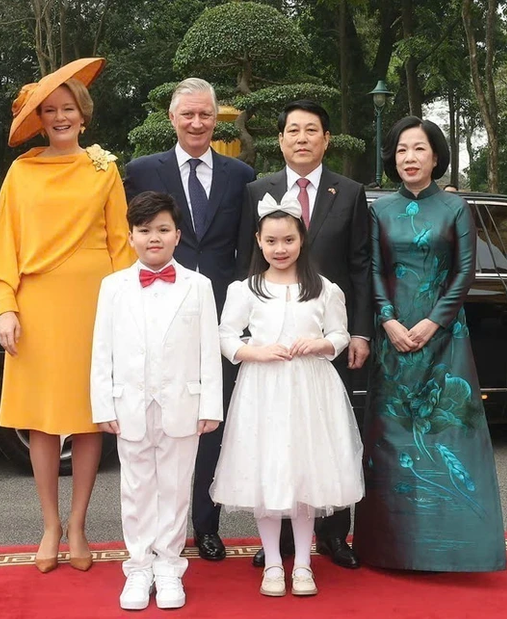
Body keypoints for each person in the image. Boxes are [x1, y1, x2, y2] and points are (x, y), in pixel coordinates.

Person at [0, 57, 133, 574]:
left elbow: (122, 243)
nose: (60, 117)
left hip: (96, 304)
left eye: (68, 107)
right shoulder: (21, 172)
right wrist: (6, 307)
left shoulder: (103, 168)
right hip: (37, 307)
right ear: (39, 120)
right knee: (43, 422)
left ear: (83, 113)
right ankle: (50, 524)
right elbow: (5, 245)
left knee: (91, 418)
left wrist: (128, 309)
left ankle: (78, 525)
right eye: (49, 110)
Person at [352, 116, 506, 572]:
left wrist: (433, 323)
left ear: (436, 156)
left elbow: (464, 271)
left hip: (445, 339)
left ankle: (454, 549)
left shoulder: (455, 208)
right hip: (391, 338)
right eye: (402, 150)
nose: (410, 158)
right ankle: (390, 548)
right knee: (392, 438)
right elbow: (372, 270)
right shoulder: (379, 209)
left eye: (419, 149)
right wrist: (387, 320)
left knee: (447, 435)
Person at [124, 78, 256, 561]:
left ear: (216, 119)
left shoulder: (241, 175)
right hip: (158, 316)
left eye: (205, 115)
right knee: (157, 426)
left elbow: (247, 250)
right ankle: (159, 533)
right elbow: (131, 241)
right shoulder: (141, 171)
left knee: (209, 423)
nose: (197, 123)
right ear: (172, 119)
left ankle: (206, 525)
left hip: (220, 315)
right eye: (188, 115)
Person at [238, 100, 371, 570]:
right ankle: (280, 542)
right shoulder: (258, 190)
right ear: (280, 140)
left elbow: (360, 265)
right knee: (276, 439)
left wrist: (359, 332)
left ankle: (333, 535)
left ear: (326, 139)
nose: (301, 138)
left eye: (311, 130)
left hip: (324, 337)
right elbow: (245, 263)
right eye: (292, 130)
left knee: (325, 437)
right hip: (273, 343)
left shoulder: (350, 192)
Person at [212, 193, 364, 597]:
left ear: (302, 240)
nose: (280, 249)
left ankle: (303, 564)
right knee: (267, 472)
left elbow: (340, 334)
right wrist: (255, 352)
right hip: (262, 389)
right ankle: (273, 563)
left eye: (288, 240)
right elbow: (226, 336)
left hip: (310, 391)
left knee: (304, 474)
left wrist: (321, 344)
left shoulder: (324, 289)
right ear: (259, 242)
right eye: (271, 241)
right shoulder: (245, 289)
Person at [91, 191, 222, 611]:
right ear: (130, 236)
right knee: (136, 488)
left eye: (163, 230)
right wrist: (103, 404)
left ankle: (168, 566)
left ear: (177, 235)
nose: (154, 238)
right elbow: (102, 350)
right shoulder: (112, 287)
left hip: (183, 402)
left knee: (176, 487)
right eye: (145, 230)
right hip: (129, 402)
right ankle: (138, 566)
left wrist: (210, 406)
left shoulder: (198, 286)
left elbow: (208, 350)